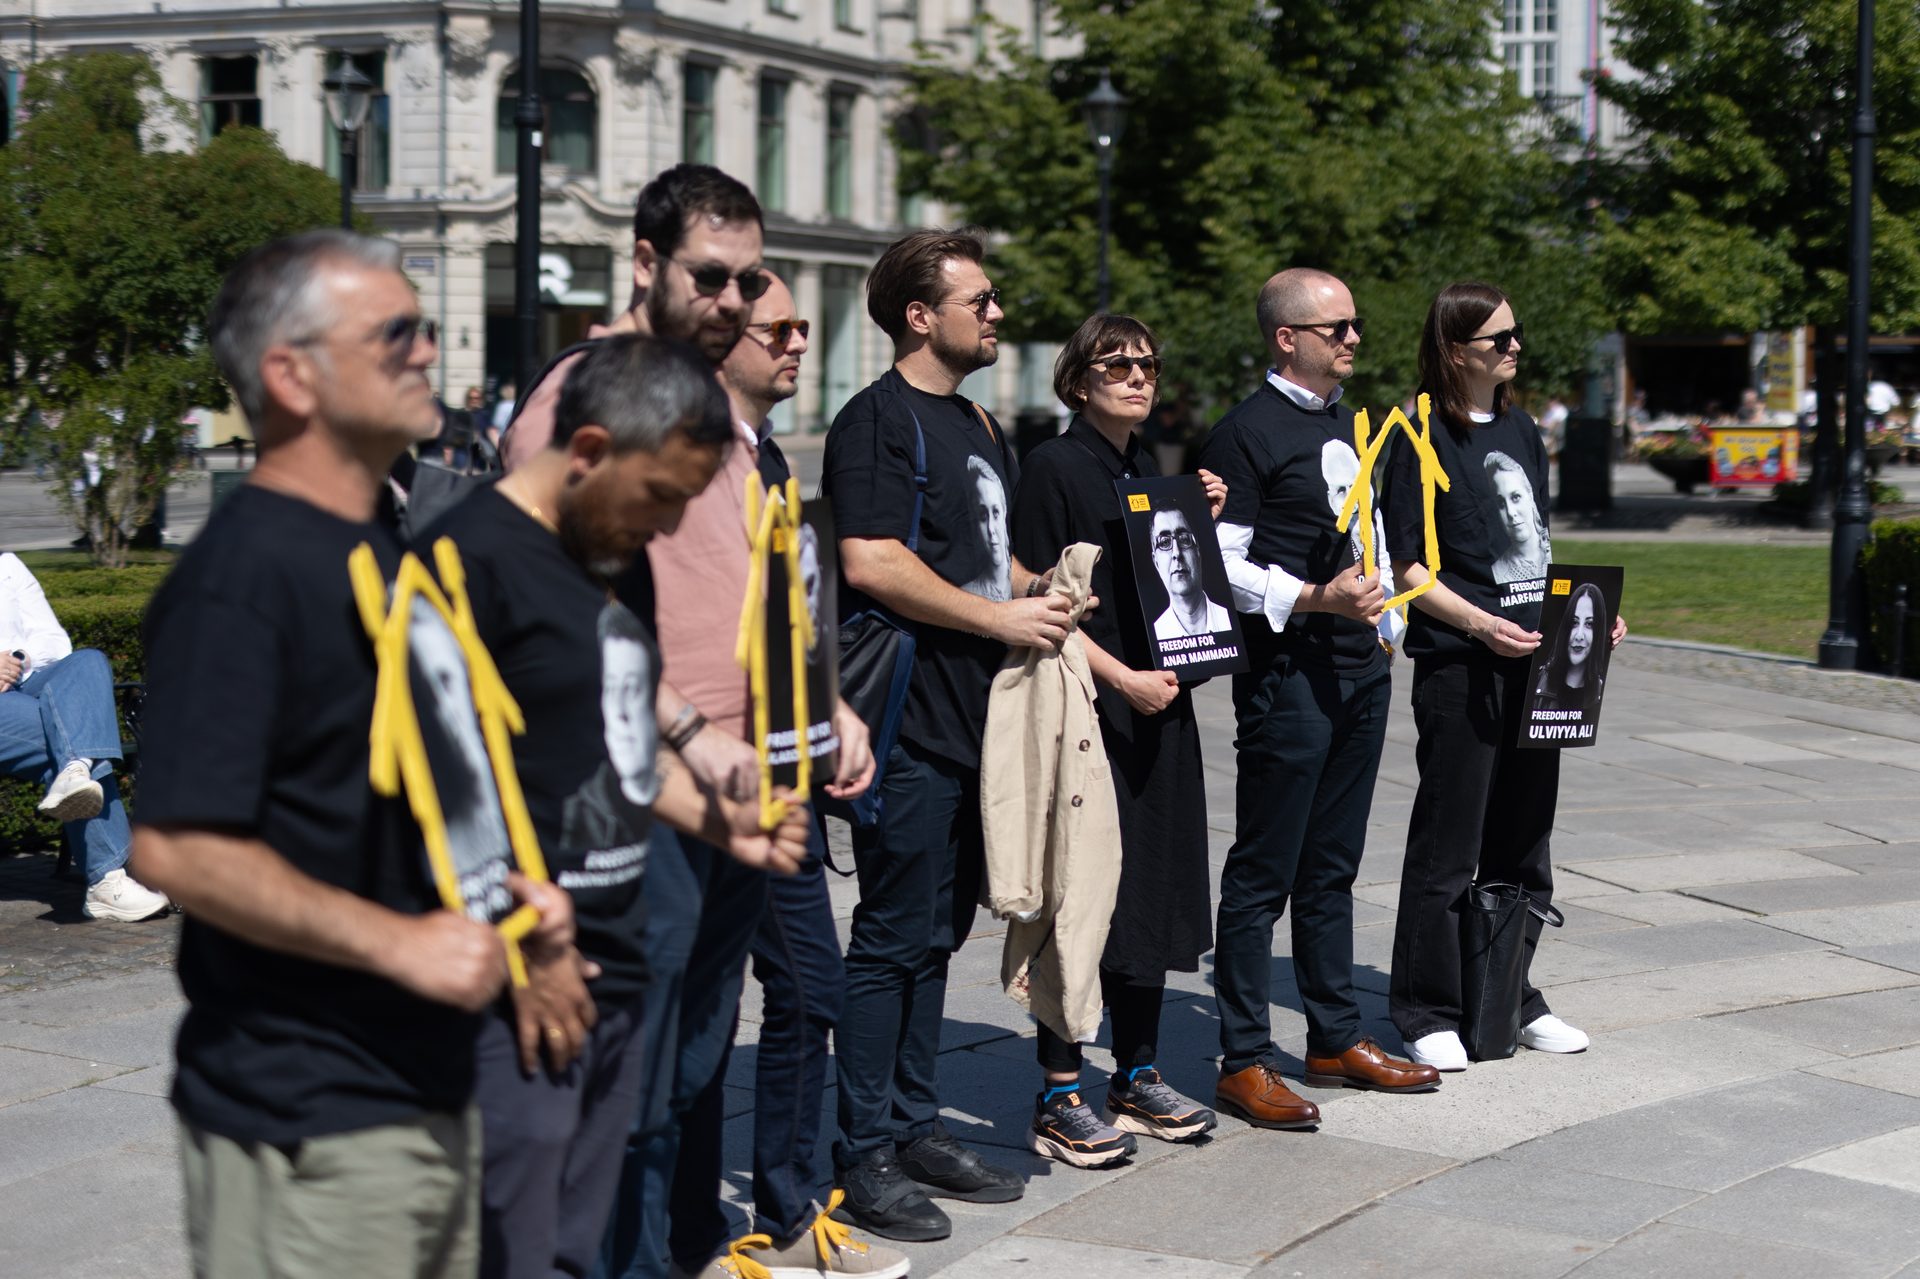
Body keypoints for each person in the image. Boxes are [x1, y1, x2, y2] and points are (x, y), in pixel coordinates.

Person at [127, 229, 567, 1277]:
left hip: (417, 1082)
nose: (429, 352)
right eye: (396, 333)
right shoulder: (245, 575)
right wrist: (399, 943)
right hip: (310, 1116)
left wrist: (506, 904)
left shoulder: (371, 542)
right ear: (292, 374)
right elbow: (177, 846)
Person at [424, 333, 814, 1279]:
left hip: (613, 946)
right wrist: (524, 946)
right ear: (591, 450)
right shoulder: (464, 562)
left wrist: (722, 820)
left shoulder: (604, 558)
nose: (669, 525)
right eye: (661, 496)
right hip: (525, 972)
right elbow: (446, 790)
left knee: (601, 1210)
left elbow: (614, 739)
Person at [636, 274, 894, 1279]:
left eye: (801, 326)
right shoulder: (679, 454)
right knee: (711, 1012)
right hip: (693, 781)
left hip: (775, 772)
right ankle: (700, 1234)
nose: (796, 342)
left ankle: (780, 1212)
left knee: (802, 990)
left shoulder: (769, 457)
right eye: (776, 327)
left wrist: (829, 710)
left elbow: (787, 609)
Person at [822, 228, 1076, 1241]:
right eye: (982, 299)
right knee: (890, 939)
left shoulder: (976, 419)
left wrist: (1046, 587)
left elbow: (985, 554)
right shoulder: (877, 420)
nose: (998, 312)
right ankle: (864, 1152)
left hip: (980, 723)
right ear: (921, 316)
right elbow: (871, 559)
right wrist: (999, 617)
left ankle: (915, 1124)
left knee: (939, 933)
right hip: (910, 722)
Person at [1198, 267, 1440, 1132]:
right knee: (1263, 871)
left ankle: (1335, 1037)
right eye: (1335, 327)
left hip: (1358, 669)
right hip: (1289, 675)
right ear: (1286, 338)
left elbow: (1368, 533)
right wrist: (1315, 599)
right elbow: (1220, 563)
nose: (1353, 338)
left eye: (1354, 324)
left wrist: (1385, 627)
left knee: (1333, 865)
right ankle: (1243, 1057)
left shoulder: (1349, 421)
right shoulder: (1244, 433)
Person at [1383, 282, 1628, 1075]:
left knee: (1525, 838)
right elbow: (1406, 563)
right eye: (1499, 339)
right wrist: (1479, 624)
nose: (1515, 348)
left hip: (1542, 667)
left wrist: (1588, 613)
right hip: (1462, 664)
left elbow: (1538, 547)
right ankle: (1426, 1008)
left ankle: (1509, 996)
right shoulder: (1416, 433)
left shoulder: (1522, 428)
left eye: (1516, 335)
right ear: (1457, 350)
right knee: (1449, 842)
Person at [1009, 313, 1224, 1171]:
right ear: (1078, 378)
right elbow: (1038, 599)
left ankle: (1135, 1073)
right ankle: (1060, 1091)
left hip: (1156, 707)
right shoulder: (1055, 466)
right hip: (1092, 707)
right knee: (1081, 894)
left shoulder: (1144, 469)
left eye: (1148, 364)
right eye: (1117, 364)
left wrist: (1198, 517)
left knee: (1152, 890)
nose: (1137, 376)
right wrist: (1120, 678)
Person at [0, 553, 167, 921]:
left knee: (87, 660)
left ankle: (74, 772)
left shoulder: (7, 564)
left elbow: (54, 643)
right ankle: (109, 877)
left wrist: (17, 658)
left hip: (27, 683)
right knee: (75, 734)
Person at [1147, 505, 1229, 638]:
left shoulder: (1228, 620)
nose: (1176, 553)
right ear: (1156, 562)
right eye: (1165, 542)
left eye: (1184, 539)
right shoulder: (1156, 634)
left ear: (1198, 551)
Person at [1531, 582, 1610, 715]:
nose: (1579, 636)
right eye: (1574, 622)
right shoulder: (1537, 682)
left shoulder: (1598, 691)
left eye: (1589, 624)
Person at [1485, 448, 1551, 584]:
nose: (1510, 512)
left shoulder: (1547, 552)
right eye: (1501, 503)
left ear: (1530, 494)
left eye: (1515, 497)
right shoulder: (1499, 573)